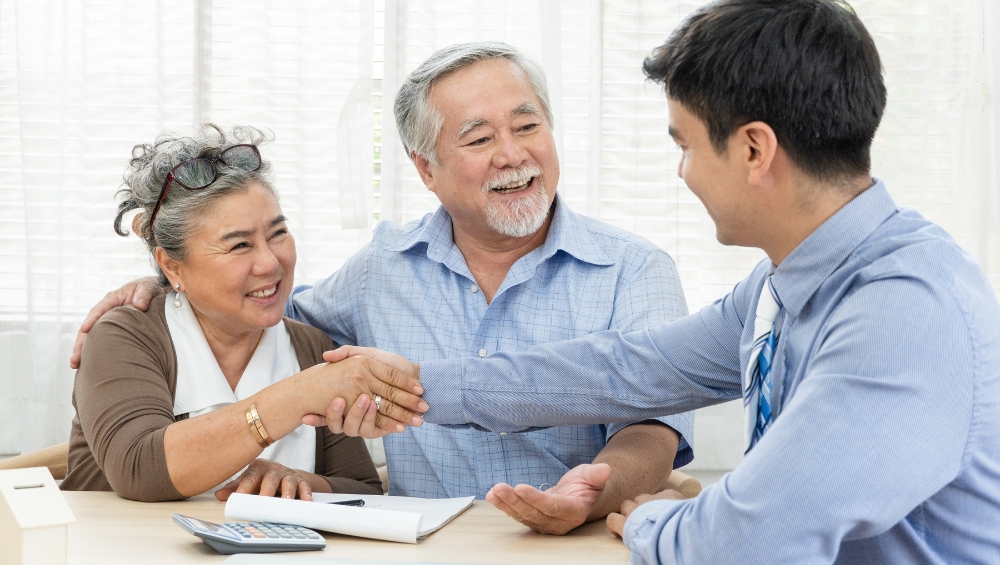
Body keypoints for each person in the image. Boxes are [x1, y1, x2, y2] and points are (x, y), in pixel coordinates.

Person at [331, 1, 1000, 563]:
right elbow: (627, 368)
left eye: (685, 145)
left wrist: (648, 514)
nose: (683, 173)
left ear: (753, 150)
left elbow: (745, 537)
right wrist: (421, 384)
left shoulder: (903, 308)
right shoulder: (781, 285)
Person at [69, 43, 694, 535]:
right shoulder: (381, 269)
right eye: (479, 139)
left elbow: (656, 426)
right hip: (422, 545)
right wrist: (164, 286)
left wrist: (594, 493)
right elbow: (258, 311)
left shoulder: (635, 269)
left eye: (527, 126)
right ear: (426, 169)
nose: (512, 154)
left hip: (573, 541)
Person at [61, 125, 425, 503]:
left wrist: (299, 480)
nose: (270, 263)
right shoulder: (125, 335)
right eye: (239, 245)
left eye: (278, 233)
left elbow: (364, 489)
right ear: (172, 266)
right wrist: (300, 395)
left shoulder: (310, 345)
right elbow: (140, 469)